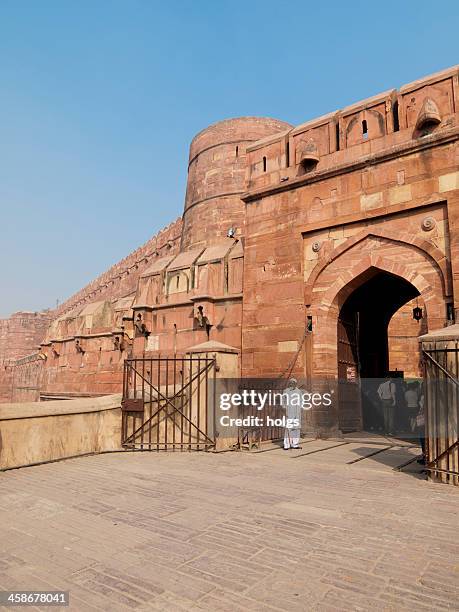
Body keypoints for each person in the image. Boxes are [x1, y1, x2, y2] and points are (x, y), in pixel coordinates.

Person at [281, 378, 303, 450]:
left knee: (296, 428)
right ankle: (286, 444)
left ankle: (295, 444)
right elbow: (283, 400)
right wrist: (284, 408)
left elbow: (301, 401)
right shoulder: (286, 391)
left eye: (293, 383)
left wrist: (300, 409)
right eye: (291, 382)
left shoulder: (298, 391)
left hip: (297, 412)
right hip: (289, 411)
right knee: (289, 428)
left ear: (295, 384)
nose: (292, 384)